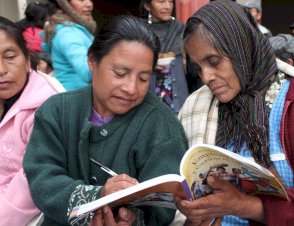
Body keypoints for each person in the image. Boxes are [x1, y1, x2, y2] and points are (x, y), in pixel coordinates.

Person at [173, 1, 294, 225]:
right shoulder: (197, 107)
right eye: (198, 67)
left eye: (214, 62)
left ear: (243, 49)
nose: (206, 77)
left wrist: (242, 205)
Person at [23, 15, 188, 226]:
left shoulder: (161, 125)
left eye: (143, 78)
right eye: (120, 73)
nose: (131, 88)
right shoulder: (56, 111)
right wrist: (97, 195)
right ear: (92, 60)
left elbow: (163, 205)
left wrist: (132, 218)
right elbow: (42, 179)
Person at [0, 16, 60, 226]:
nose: (1, 69)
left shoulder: (46, 107)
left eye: (9, 56)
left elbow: (32, 178)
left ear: (26, 60)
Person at [140, 0, 191, 113]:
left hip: (180, 102)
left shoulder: (181, 30)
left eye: (170, 2)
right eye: (161, 2)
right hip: (150, 105)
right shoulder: (139, 32)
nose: (167, 6)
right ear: (147, 6)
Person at [42, 0, 96, 91]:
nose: (89, 4)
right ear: (66, 5)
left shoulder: (73, 29)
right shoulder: (68, 33)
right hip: (76, 98)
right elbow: (87, 71)